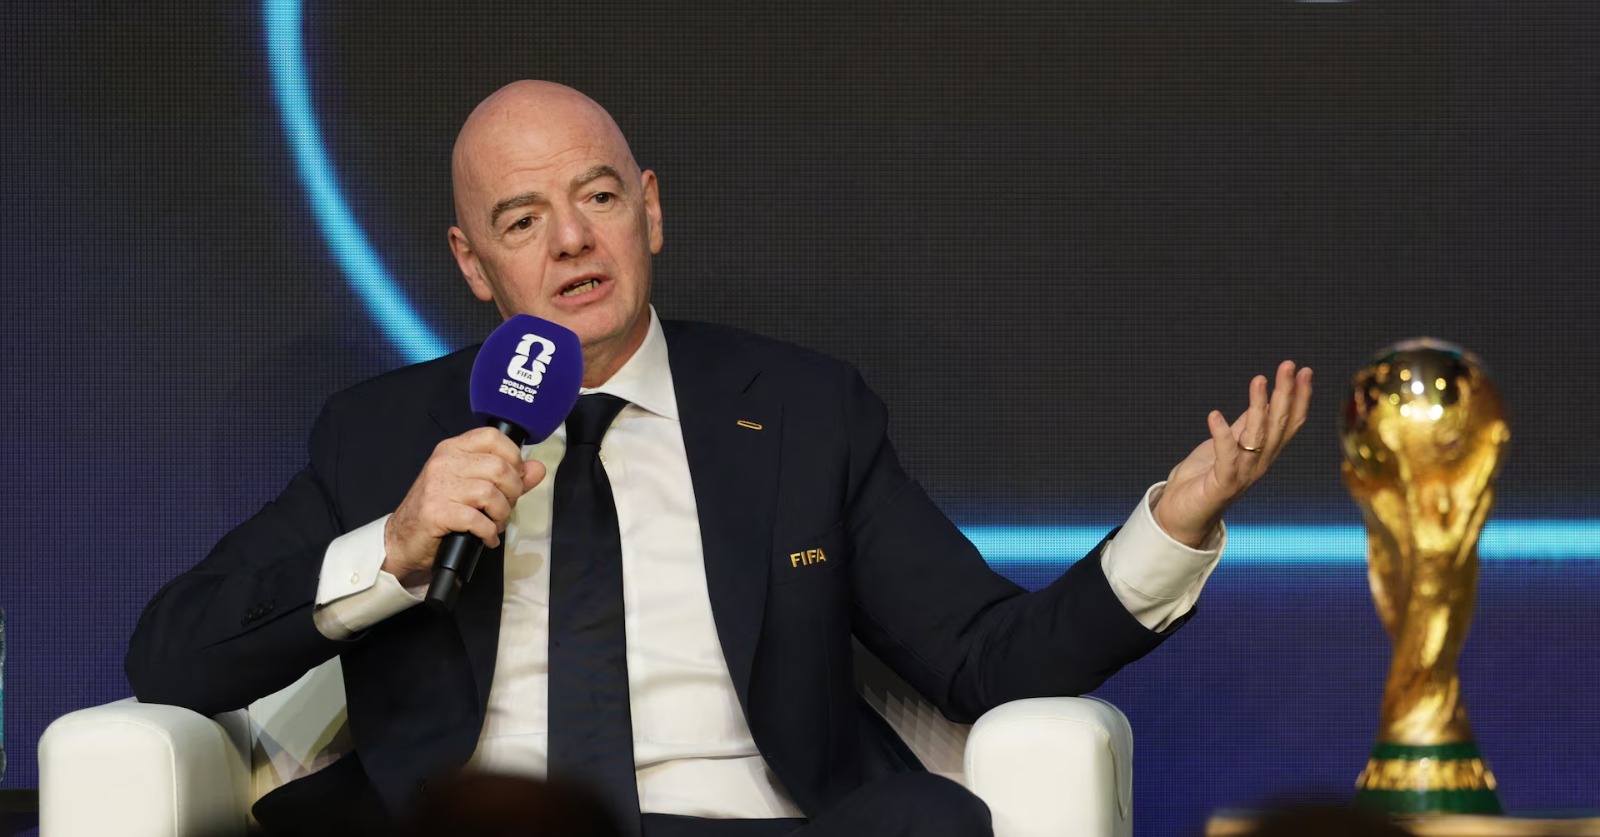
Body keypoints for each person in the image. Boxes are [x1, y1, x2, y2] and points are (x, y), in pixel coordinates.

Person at [126, 81, 1312, 837]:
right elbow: (171, 654)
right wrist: (389, 549)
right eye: (522, 220)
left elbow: (984, 657)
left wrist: (1171, 527)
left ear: (649, 210)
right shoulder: (385, 430)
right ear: (473, 263)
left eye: (597, 197)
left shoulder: (799, 410)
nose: (572, 240)